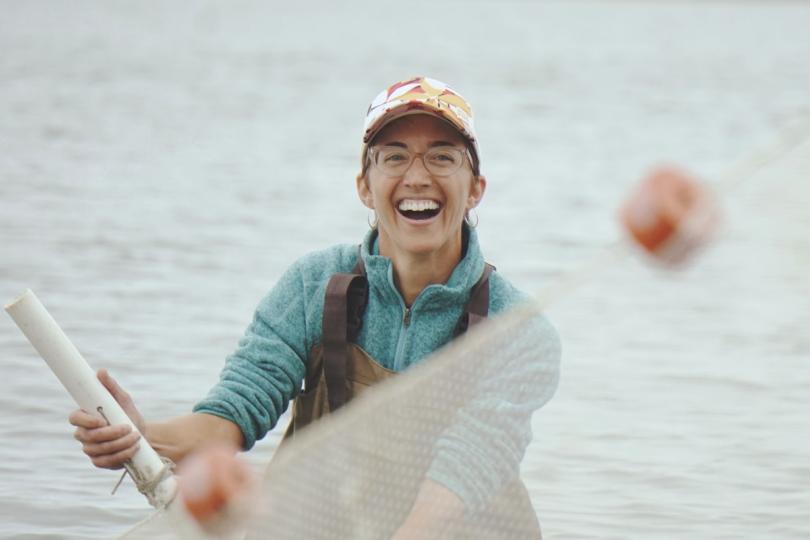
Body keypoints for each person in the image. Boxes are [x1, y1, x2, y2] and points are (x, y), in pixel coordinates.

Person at [70, 76, 561, 538]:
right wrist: (140, 438)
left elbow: (469, 465)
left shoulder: (519, 329)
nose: (417, 177)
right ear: (365, 187)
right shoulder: (314, 285)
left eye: (442, 157)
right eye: (394, 157)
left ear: (475, 188)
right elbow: (234, 413)